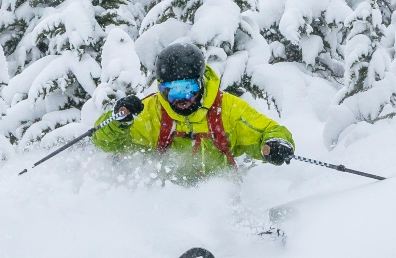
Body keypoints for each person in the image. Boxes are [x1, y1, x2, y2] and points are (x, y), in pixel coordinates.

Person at [93, 43, 295, 183]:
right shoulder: (153, 111)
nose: (181, 99)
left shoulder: (227, 109)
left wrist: (276, 143)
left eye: (188, 88)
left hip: (219, 197)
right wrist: (118, 120)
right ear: (162, 89)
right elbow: (103, 141)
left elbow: (268, 131)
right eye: (171, 91)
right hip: (166, 200)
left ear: (200, 82)